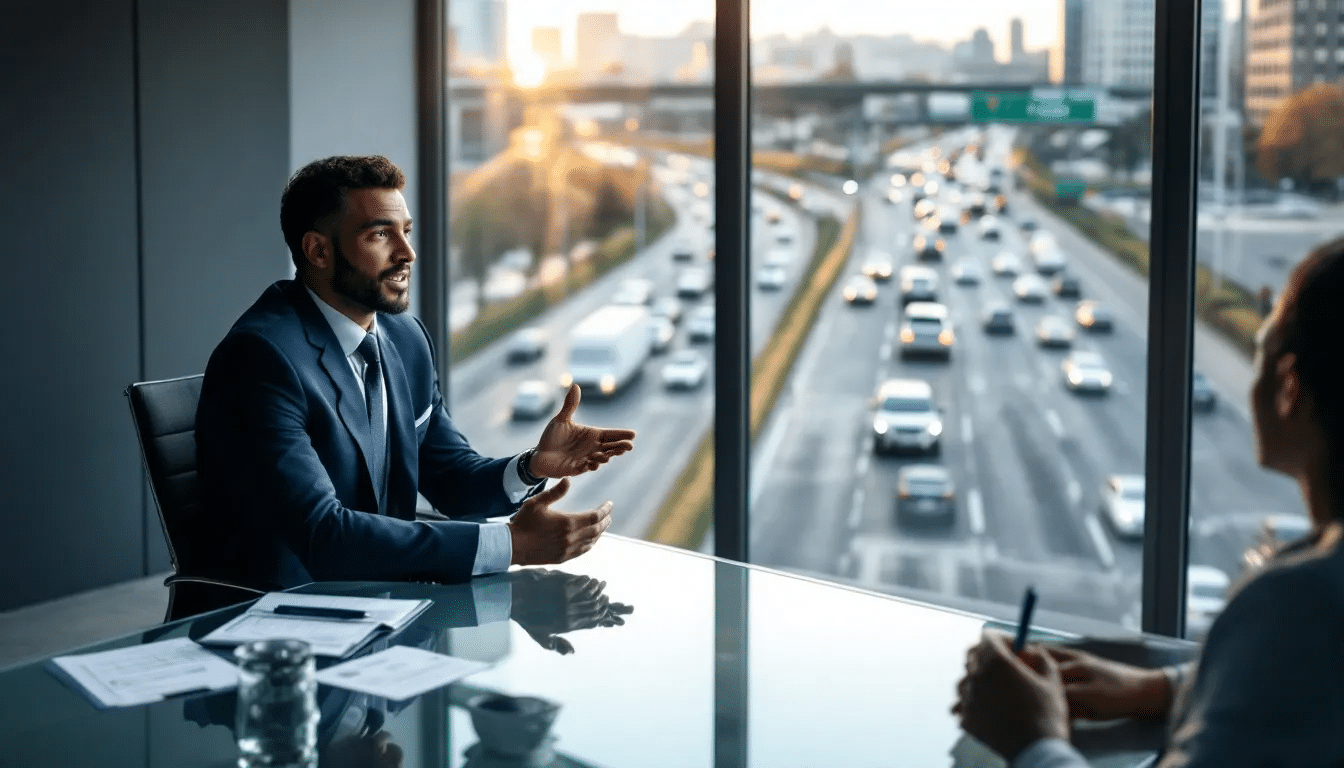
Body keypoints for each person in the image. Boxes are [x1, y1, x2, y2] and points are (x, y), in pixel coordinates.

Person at [954, 235, 1344, 767]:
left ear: (1288, 385)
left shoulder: (1298, 604)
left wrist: (1033, 738)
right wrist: (1162, 689)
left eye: (1262, 343)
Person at [195, 155, 635, 592]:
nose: (407, 253)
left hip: (381, 601)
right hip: (276, 623)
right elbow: (323, 536)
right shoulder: (260, 359)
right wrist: (511, 545)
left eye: (405, 232)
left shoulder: (404, 339)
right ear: (318, 251)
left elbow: (449, 476)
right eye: (380, 235)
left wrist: (529, 467)